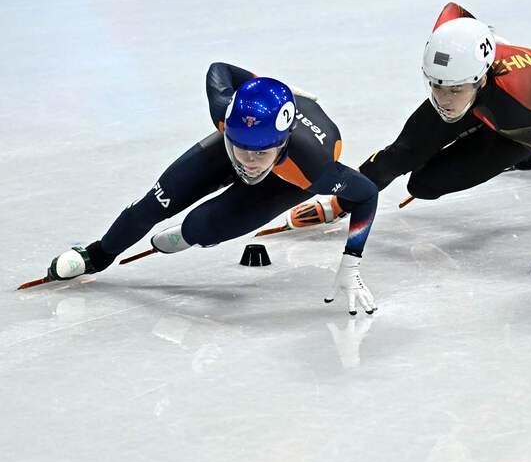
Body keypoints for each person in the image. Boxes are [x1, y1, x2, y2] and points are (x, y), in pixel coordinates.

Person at [38, 62, 381, 314]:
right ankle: (97, 255)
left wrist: (351, 262)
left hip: (286, 180)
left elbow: (366, 193)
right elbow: (219, 70)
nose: (247, 161)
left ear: (283, 142)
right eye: (239, 146)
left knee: (202, 226)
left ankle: (189, 235)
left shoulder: (313, 168)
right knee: (152, 206)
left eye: (260, 152)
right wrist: (257, 84)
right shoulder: (225, 113)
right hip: (249, 140)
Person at [285, 3, 531, 274]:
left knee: (424, 185)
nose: (444, 100)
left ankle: (522, 156)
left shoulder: (514, 112)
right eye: (435, 86)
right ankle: (338, 203)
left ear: (481, 78)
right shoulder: (452, 63)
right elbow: (455, 10)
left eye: (453, 90)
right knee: (400, 155)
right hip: (480, 92)